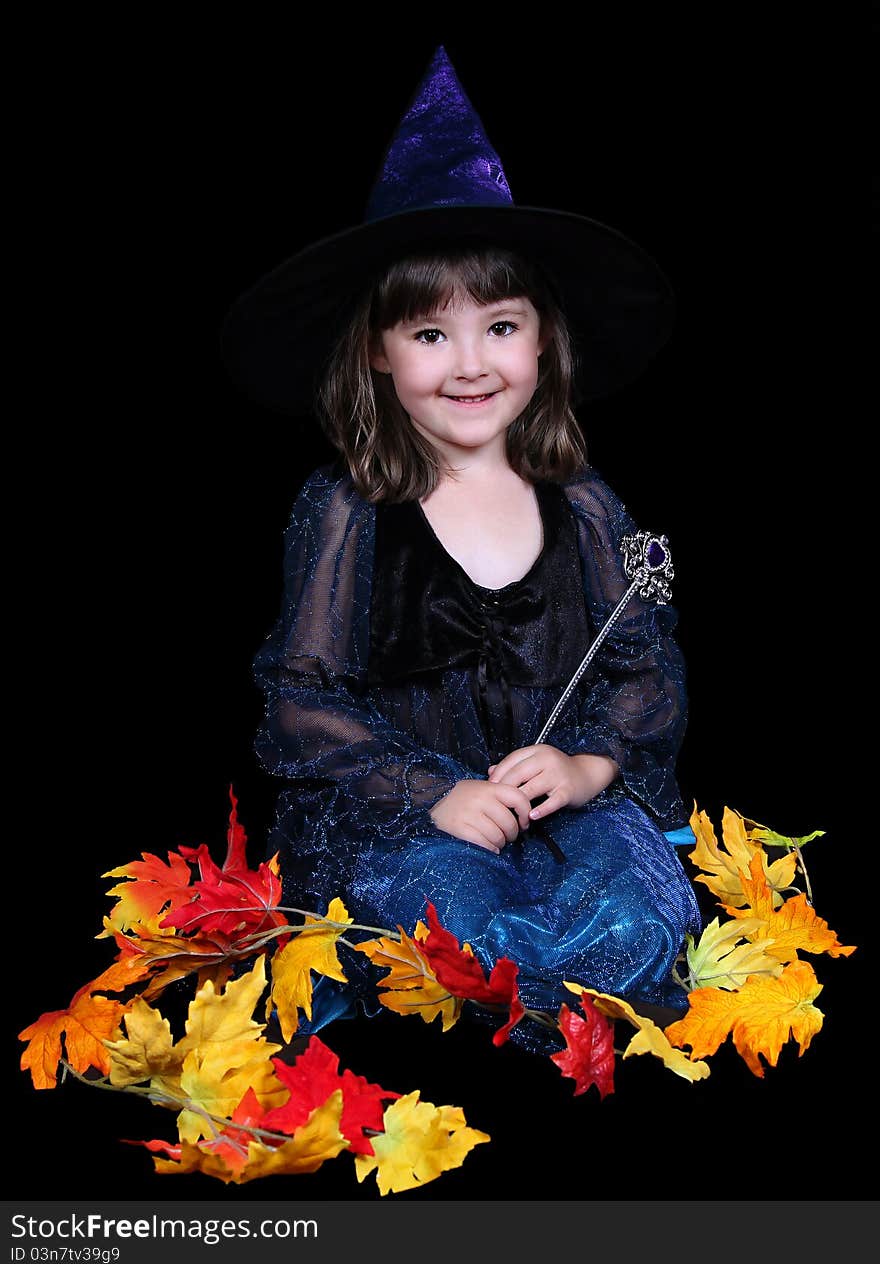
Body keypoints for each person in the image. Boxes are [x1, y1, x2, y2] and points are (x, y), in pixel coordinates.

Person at [220, 46, 703, 1054]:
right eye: (430, 335)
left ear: (543, 342)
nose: (472, 363)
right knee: (460, 935)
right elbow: (300, 699)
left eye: (500, 326)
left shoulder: (580, 501)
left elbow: (641, 666)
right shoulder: (349, 507)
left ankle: (573, 1000)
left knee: (638, 922)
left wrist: (582, 765)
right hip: (415, 824)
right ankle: (519, 990)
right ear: (375, 349)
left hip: (562, 813)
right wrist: (436, 789)